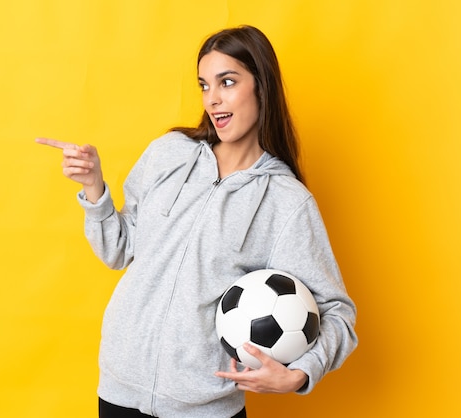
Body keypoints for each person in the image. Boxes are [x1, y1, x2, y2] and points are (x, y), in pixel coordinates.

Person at [36, 25, 357, 418]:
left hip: (205, 407)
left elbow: (337, 311)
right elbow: (119, 250)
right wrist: (94, 189)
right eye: (205, 85)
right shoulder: (168, 154)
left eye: (227, 82)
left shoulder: (285, 201)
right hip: (120, 388)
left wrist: (300, 374)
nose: (213, 99)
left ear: (262, 87)